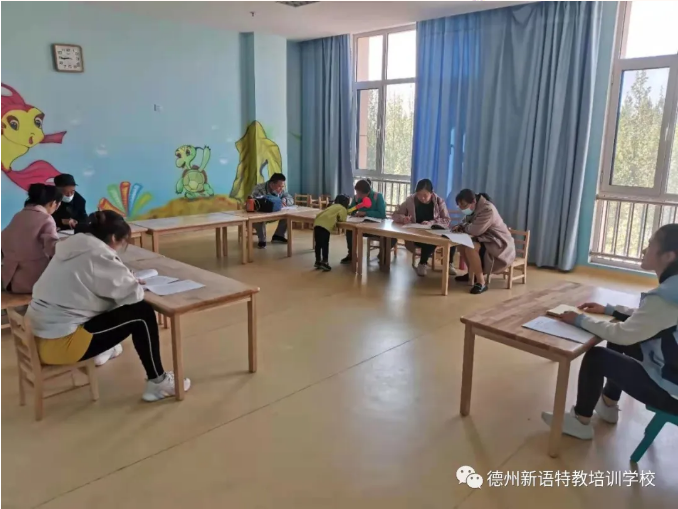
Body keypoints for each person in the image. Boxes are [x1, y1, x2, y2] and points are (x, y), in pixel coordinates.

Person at [26, 210, 190, 401]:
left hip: (40, 336)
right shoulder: (98, 255)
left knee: (115, 308)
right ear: (113, 237)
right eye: (122, 242)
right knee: (142, 313)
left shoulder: (72, 248)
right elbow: (133, 296)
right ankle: (158, 382)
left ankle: (104, 351)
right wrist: (130, 281)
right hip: (62, 345)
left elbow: (91, 284)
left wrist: (123, 279)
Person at [542, 224, 678, 439]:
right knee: (621, 340)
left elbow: (622, 334)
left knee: (597, 357)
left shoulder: (665, 297)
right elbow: (648, 318)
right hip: (671, 369)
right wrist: (610, 310)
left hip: (672, 394)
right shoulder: (672, 290)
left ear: (669, 256)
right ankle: (608, 404)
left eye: (651, 244)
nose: (644, 249)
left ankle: (580, 421)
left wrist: (579, 319)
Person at [452, 189, 515, 294]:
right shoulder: (474, 208)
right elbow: (466, 223)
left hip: (499, 244)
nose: (462, 209)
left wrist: (463, 227)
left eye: (464, 205)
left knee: (470, 248)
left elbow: (475, 230)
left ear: (473, 201)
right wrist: (460, 226)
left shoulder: (487, 209)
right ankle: (472, 274)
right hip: (486, 239)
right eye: (460, 206)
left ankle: (481, 282)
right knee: (461, 245)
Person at [2, 184, 62, 293]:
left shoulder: (18, 215)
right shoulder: (46, 219)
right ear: (54, 203)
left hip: (8, 279)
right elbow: (53, 250)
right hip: (32, 282)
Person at [392, 179, 457, 277]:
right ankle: (422, 263)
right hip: (417, 234)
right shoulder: (410, 200)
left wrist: (431, 223)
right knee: (429, 240)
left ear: (432, 192)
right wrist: (403, 218)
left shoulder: (439, 201)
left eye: (425, 195)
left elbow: (446, 220)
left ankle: (449, 263)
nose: (422, 198)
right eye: (419, 194)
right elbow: (395, 215)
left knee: (452, 237)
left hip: (435, 231)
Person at [340, 179, 391, 264]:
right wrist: (353, 209)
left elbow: (382, 214)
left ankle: (383, 254)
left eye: (360, 194)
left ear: (367, 192)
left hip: (375, 228)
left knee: (389, 237)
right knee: (350, 230)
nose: (358, 195)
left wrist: (365, 213)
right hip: (360, 225)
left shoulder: (378, 196)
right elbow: (350, 210)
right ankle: (351, 254)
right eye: (357, 193)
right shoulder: (357, 198)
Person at [250, 173, 294, 248]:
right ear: (272, 184)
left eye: (282, 186)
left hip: (274, 214)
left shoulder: (281, 189)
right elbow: (254, 203)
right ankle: (262, 240)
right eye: (279, 186)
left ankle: (278, 236)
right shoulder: (259, 189)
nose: (281, 189)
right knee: (258, 218)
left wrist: (285, 200)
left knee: (288, 216)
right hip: (261, 214)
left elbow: (291, 199)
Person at [313, 195, 350, 272]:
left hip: (317, 223)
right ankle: (325, 262)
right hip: (325, 226)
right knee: (325, 244)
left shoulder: (331, 206)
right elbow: (343, 219)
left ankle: (317, 261)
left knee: (318, 244)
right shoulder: (342, 208)